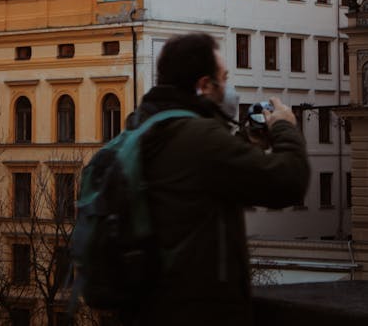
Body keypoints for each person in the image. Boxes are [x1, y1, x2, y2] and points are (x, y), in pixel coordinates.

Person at [128, 32, 309, 326]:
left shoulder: (147, 125)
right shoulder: (199, 138)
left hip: (152, 306)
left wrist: (245, 143)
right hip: (199, 311)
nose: (228, 87)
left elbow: (197, 178)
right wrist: (284, 128)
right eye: (223, 78)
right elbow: (289, 182)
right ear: (203, 86)